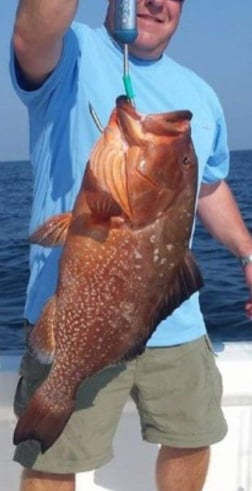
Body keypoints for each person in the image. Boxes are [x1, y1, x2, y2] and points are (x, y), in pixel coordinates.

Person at [10, 1, 252, 490]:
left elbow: (208, 185)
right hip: (79, 319)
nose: (156, 2)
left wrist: (248, 252)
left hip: (177, 327)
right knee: (52, 462)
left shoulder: (200, 94)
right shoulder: (70, 53)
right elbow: (31, 34)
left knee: (191, 436)